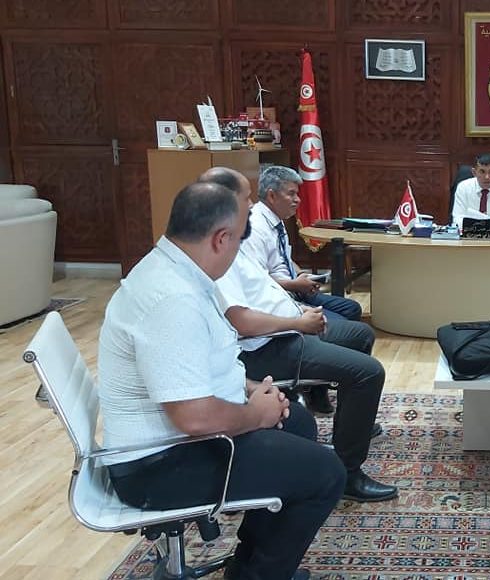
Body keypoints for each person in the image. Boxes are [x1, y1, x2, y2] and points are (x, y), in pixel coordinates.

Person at [99, 182, 344, 580]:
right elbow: (193, 417)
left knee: (297, 423)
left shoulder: (179, 270)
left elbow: (204, 365)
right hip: (158, 466)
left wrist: (253, 391)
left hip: (176, 444)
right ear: (221, 238)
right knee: (326, 473)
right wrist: (256, 414)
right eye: (241, 237)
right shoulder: (172, 300)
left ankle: (251, 567)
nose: (240, 250)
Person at [199, 167, 398, 503]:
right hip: (266, 346)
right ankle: (347, 474)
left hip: (288, 325)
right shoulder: (219, 251)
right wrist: (298, 323)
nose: (253, 206)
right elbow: (241, 322)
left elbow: (264, 291)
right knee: (368, 372)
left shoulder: (235, 241)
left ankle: (347, 423)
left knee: (358, 335)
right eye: (246, 199)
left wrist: (300, 311)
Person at [244, 165, 362, 322]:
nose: (298, 200)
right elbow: (258, 280)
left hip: (295, 288)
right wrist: (295, 284)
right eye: (291, 194)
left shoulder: (276, 218)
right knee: (344, 324)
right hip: (278, 296)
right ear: (272, 196)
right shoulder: (255, 228)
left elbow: (283, 258)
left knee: (351, 308)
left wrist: (300, 275)